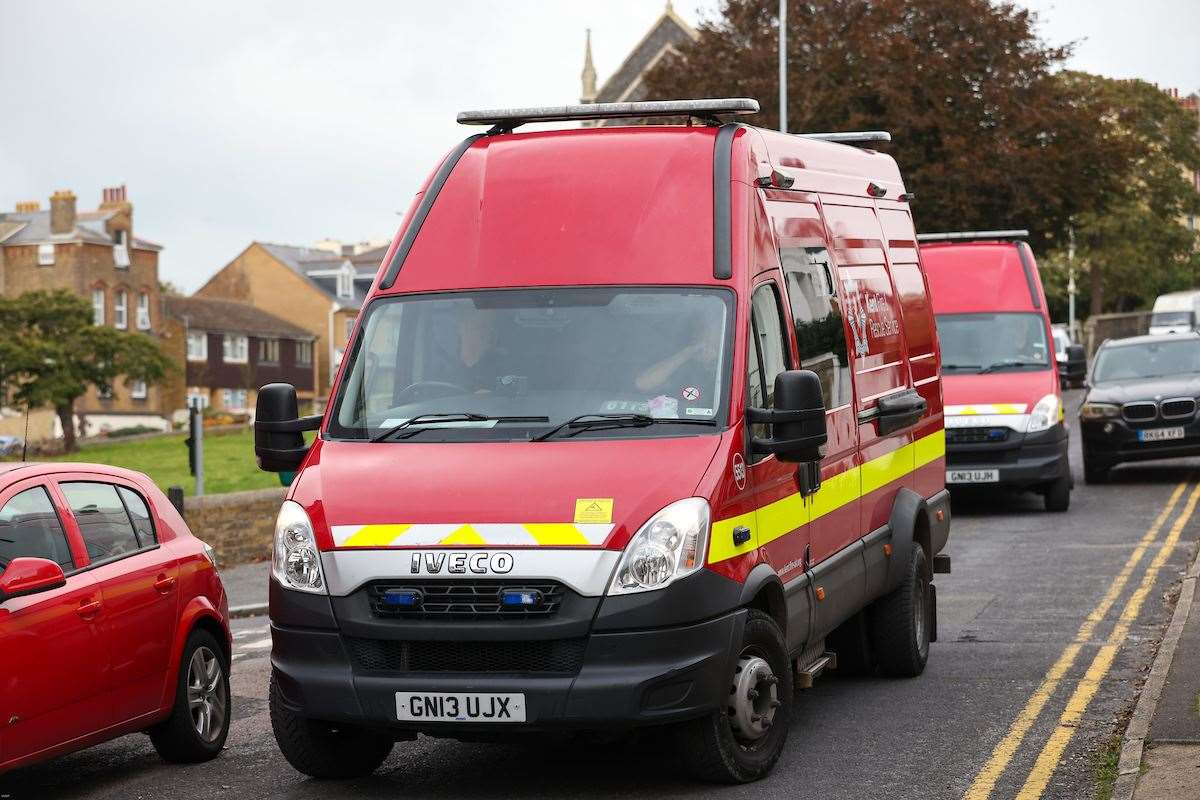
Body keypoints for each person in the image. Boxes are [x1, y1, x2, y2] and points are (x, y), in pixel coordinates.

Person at [635, 317, 721, 400]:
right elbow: (643, 383)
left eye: (704, 329)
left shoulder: (728, 365)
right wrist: (687, 353)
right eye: (698, 329)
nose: (696, 334)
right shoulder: (683, 362)